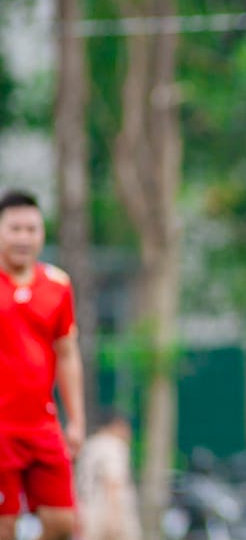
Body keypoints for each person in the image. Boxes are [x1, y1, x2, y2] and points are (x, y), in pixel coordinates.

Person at [0, 189, 85, 540]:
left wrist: (76, 420)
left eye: (31, 229)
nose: (23, 237)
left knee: (63, 522)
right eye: (14, 228)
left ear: (42, 234)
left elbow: (67, 353)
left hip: (42, 426)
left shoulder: (57, 285)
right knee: (5, 526)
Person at [76, 410, 141, 540]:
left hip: (86, 513)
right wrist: (115, 520)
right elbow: (112, 482)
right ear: (117, 425)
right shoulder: (113, 445)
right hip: (107, 513)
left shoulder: (89, 445)